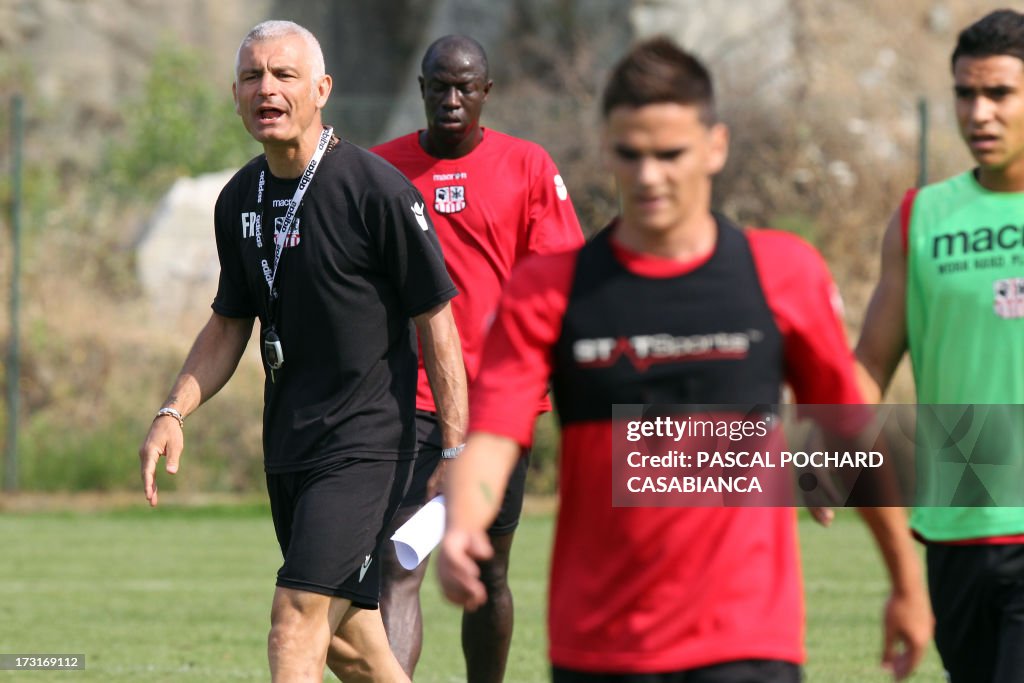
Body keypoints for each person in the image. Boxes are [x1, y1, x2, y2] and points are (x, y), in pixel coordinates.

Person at [437, 37, 932, 681]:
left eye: (670, 155)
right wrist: (463, 525)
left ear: (715, 146)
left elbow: (847, 428)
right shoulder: (548, 289)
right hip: (599, 646)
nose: (648, 177)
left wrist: (907, 582)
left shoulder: (782, 273)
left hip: (748, 641)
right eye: (630, 154)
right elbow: (497, 433)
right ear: (606, 147)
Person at [137, 20, 468, 683]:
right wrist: (173, 409)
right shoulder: (238, 200)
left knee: (294, 620)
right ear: (235, 93)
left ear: (321, 89)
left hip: (367, 445)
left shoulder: (374, 190)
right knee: (353, 647)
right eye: (254, 76)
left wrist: (457, 450)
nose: (268, 89)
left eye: (285, 75)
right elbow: (230, 323)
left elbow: (437, 320)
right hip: (290, 444)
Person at [361, 35, 583, 681]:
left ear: (486, 92)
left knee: (487, 571)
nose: (451, 99)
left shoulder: (529, 167)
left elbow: (559, 284)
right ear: (422, 89)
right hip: (412, 401)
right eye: (439, 86)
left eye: (465, 87)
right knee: (400, 564)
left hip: (497, 408)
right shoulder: (380, 170)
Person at [856, 9, 1024, 683]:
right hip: (953, 526)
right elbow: (868, 364)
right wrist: (824, 451)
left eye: (1000, 93)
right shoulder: (921, 216)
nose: (979, 112)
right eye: (965, 93)